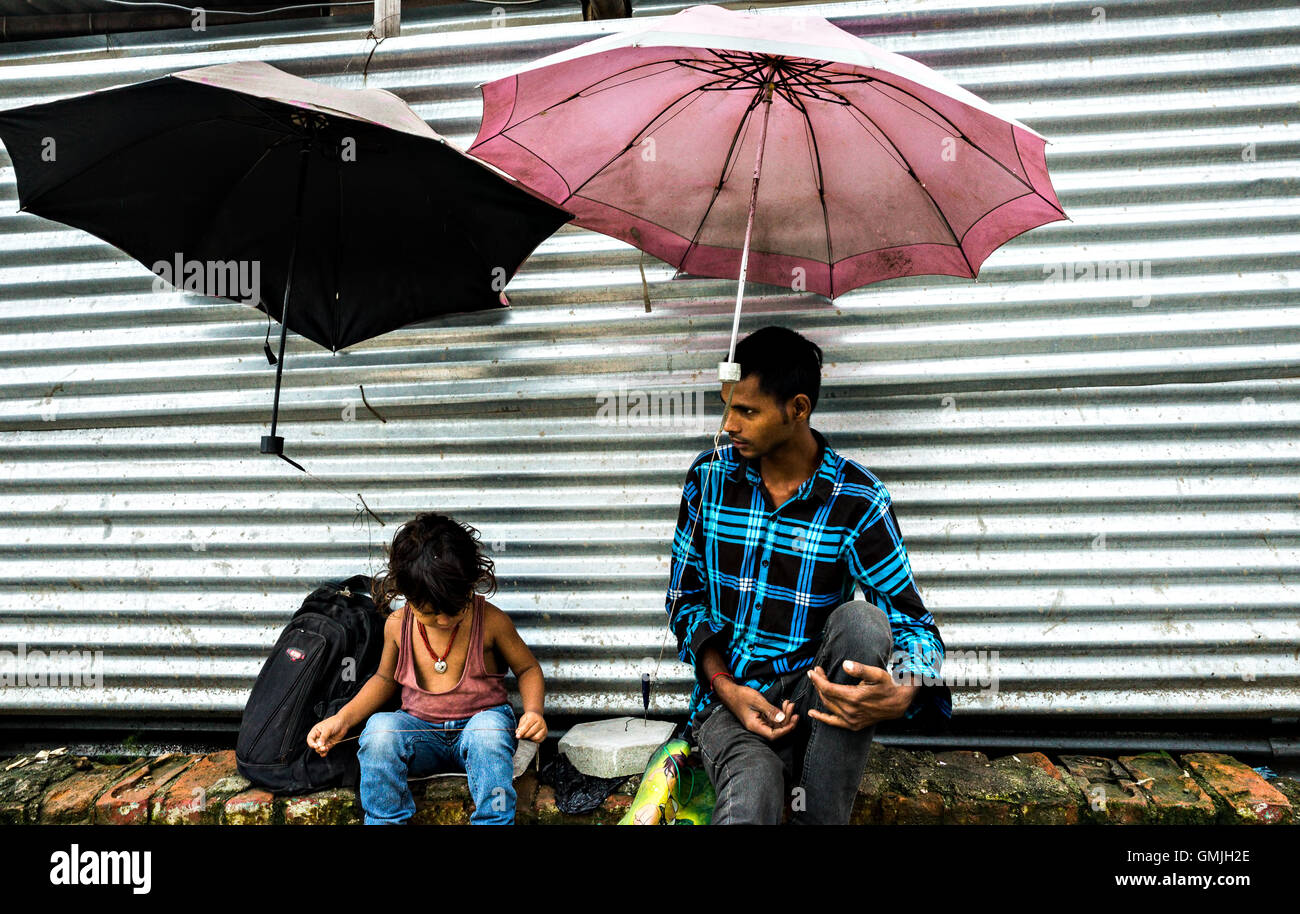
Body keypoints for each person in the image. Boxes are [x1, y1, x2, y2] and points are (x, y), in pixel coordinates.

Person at [666, 326, 952, 824]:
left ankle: (819, 814)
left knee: (863, 623)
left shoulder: (857, 500)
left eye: (747, 411)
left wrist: (903, 688)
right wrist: (725, 686)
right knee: (750, 794)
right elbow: (684, 601)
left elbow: (913, 626)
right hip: (732, 702)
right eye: (725, 406)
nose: (728, 425)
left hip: (814, 697)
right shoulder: (708, 480)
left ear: (798, 409)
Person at [307, 512, 547, 824]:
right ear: (405, 594)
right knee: (379, 732)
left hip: (479, 733)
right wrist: (341, 720)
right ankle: (384, 820)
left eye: (455, 608)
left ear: (471, 583)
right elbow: (384, 679)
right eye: (430, 613)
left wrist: (533, 712)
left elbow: (528, 669)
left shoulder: (490, 621)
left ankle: (494, 820)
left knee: (487, 734)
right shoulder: (397, 625)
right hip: (421, 737)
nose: (444, 621)